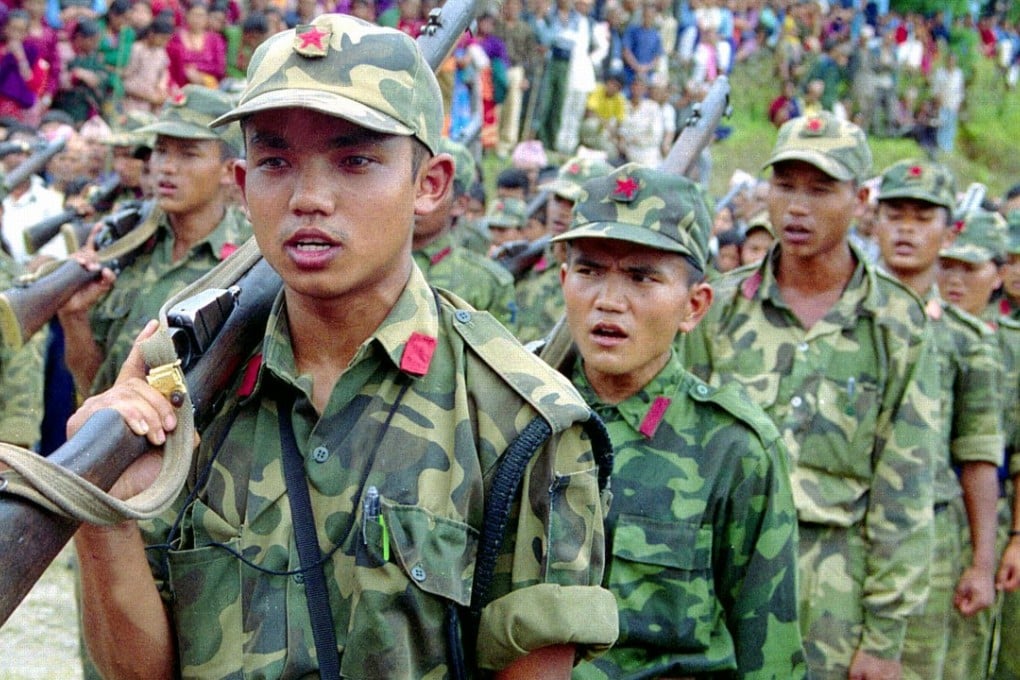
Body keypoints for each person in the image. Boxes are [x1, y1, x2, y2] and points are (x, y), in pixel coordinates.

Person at [68, 15, 618, 678]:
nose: (309, 198)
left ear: (431, 184)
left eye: (355, 160)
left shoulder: (522, 420)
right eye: (276, 162)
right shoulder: (185, 391)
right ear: (242, 187)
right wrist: (102, 509)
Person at [682, 111, 938, 680]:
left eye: (822, 190)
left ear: (862, 199)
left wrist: (883, 636)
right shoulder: (719, 308)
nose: (798, 207)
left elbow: (906, 488)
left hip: (832, 596)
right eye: (785, 187)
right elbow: (686, 451)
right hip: (718, 577)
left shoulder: (897, 324)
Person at [551, 163, 806, 678]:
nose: (608, 300)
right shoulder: (516, 418)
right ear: (563, 281)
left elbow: (769, 651)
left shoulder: (733, 449)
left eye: (642, 277)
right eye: (590, 271)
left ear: (694, 306)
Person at [873, 159, 1004, 680]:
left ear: (948, 231)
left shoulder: (965, 341)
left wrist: (982, 561)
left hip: (930, 536)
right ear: (873, 220)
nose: (906, 228)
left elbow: (977, 456)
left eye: (922, 217)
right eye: (895, 213)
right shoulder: (841, 321)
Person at [58, 85, 250, 397]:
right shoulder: (126, 244)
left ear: (228, 170)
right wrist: (74, 317)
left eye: (189, 154)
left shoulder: (249, 260)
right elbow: (94, 387)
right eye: (160, 151)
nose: (166, 167)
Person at [935, 208, 1019, 680]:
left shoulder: (1010, 346)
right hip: (925, 519)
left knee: (975, 650)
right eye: (947, 266)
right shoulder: (918, 331)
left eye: (970, 269)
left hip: (989, 519)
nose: (955, 280)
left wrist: (1015, 540)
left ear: (998, 274)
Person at [413, 138, 518, 331]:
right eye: (412, 182)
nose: (417, 196)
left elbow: (498, 358)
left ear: (460, 204)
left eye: (432, 186)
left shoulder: (487, 283)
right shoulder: (366, 263)